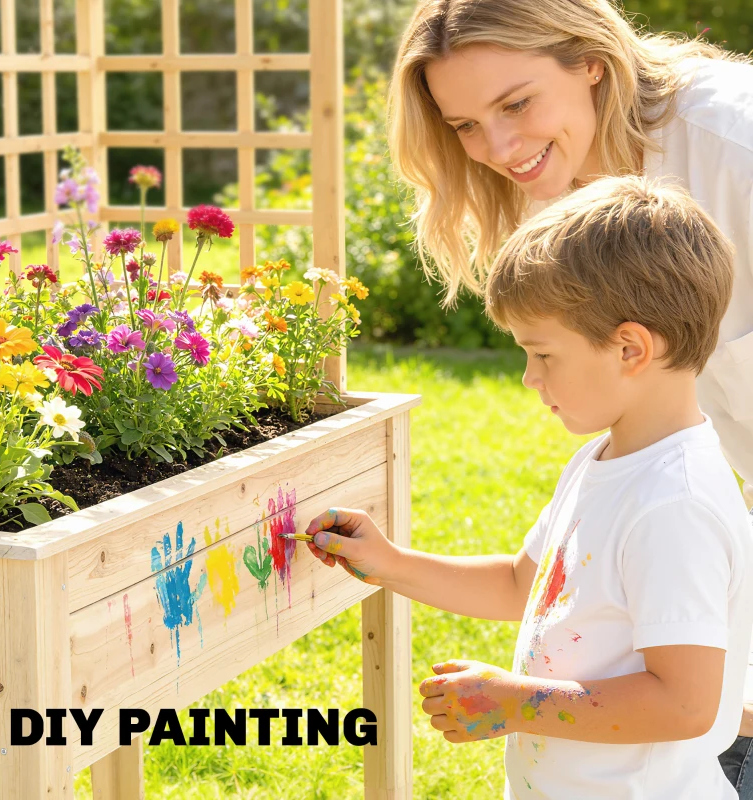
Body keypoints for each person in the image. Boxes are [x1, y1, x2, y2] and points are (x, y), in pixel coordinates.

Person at [386, 0, 753, 789]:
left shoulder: (735, 140)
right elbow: (531, 583)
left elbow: (684, 701)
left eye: (515, 104)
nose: (499, 148)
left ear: (590, 60)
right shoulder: (557, 184)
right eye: (465, 127)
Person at [305, 176, 753, 799]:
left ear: (629, 348)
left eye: (542, 355)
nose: (527, 377)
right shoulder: (604, 459)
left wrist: (516, 702)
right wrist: (390, 562)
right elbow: (526, 583)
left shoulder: (675, 505)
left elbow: (684, 705)